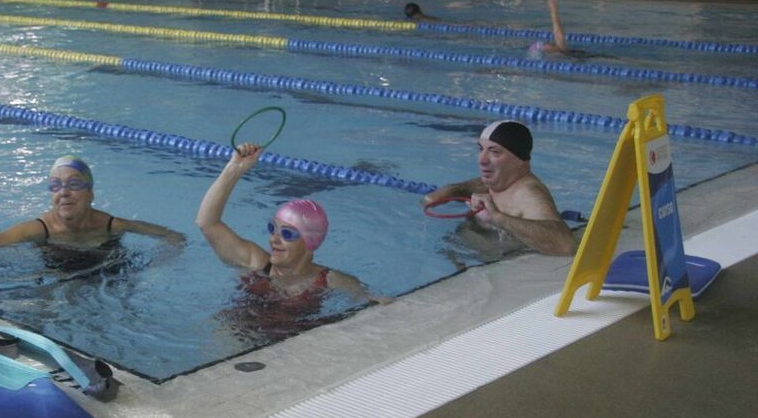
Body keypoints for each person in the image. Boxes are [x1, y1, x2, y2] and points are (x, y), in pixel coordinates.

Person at [197, 142, 387, 304]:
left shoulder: (332, 281)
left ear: (310, 243)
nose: (274, 239)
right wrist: (233, 169)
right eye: (273, 229)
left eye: (287, 234)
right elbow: (207, 223)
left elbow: (373, 301)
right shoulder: (255, 263)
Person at [0, 155, 184, 260]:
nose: (64, 192)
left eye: (74, 184)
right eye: (56, 186)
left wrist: (159, 265)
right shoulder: (39, 229)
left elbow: (173, 237)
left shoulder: (112, 225)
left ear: (91, 193)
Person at [421, 120, 576, 257]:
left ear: (519, 159)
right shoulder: (502, 181)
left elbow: (565, 245)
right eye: (481, 149)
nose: (482, 160)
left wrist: (498, 218)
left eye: (495, 152)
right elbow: (482, 185)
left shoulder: (528, 194)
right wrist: (452, 190)